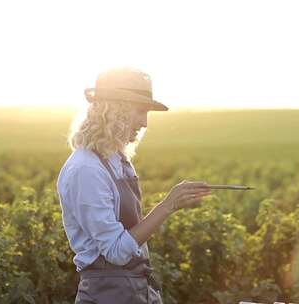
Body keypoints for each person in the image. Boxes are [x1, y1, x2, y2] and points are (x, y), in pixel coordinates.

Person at [56, 67, 212, 304]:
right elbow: (116, 251)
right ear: (115, 109)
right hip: (107, 295)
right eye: (140, 111)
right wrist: (167, 206)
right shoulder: (86, 169)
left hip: (136, 291)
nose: (145, 123)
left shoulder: (116, 160)